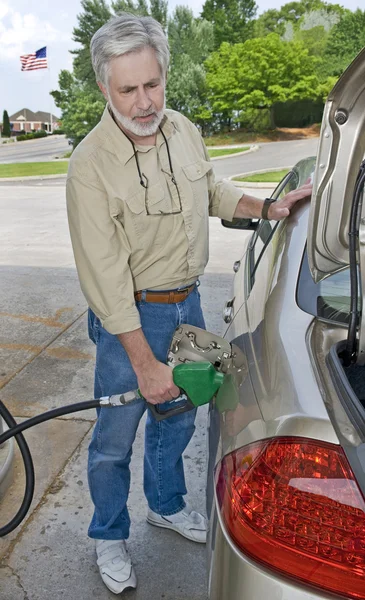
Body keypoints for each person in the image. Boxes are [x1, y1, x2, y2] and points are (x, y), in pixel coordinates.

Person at [66, 13, 312, 595]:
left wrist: (268, 207)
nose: (145, 101)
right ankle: (108, 534)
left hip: (187, 306)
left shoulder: (183, 130)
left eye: (153, 84)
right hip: (131, 317)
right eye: (128, 89)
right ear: (104, 87)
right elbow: (103, 280)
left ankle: (168, 505)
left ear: (164, 75)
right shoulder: (89, 165)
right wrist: (146, 365)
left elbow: (209, 190)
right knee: (114, 438)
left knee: (179, 419)